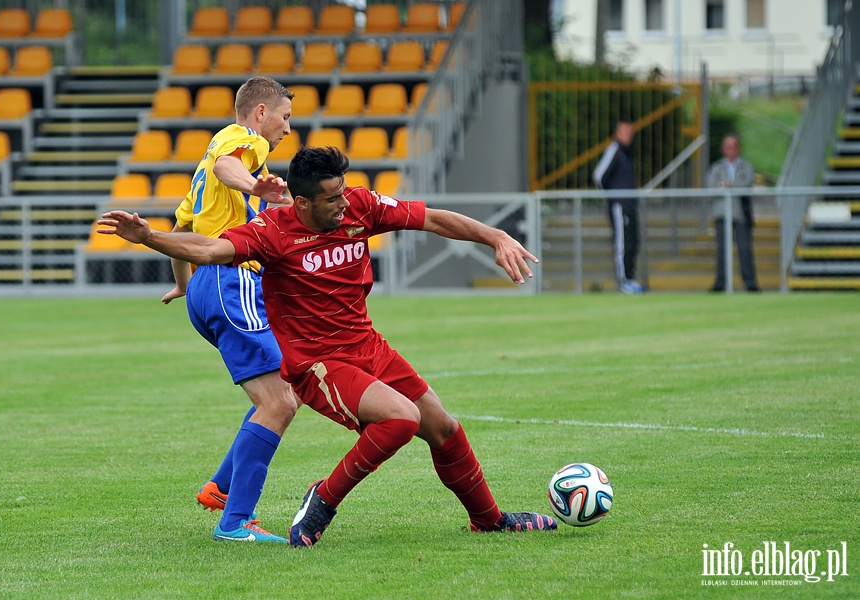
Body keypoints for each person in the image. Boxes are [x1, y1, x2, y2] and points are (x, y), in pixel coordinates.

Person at [98, 146, 558, 547]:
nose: (343, 204)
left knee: (443, 427)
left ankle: (490, 521)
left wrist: (495, 235)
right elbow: (209, 250)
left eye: (343, 192)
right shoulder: (272, 231)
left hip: (367, 344)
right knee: (401, 418)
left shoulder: (360, 205)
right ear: (301, 202)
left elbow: (433, 218)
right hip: (317, 363)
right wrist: (151, 238)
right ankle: (323, 498)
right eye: (331, 199)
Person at [160, 75, 298, 543]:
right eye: (284, 117)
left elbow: (181, 237)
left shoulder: (198, 177)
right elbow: (229, 168)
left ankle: (221, 489)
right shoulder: (242, 140)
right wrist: (257, 188)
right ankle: (235, 522)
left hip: (206, 286)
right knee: (280, 402)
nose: (286, 129)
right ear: (260, 113)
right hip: (232, 279)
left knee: (276, 395)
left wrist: (183, 288)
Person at [593, 120, 643, 294]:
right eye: (625, 131)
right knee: (622, 243)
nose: (628, 134)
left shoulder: (628, 153)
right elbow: (599, 176)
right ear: (617, 133)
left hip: (630, 205)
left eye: (631, 131)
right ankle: (624, 281)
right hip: (619, 206)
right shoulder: (614, 150)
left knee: (633, 241)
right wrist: (613, 197)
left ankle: (630, 278)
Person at [706, 133, 760, 292]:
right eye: (728, 147)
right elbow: (712, 188)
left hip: (740, 214)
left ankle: (750, 282)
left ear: (739, 149)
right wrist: (732, 187)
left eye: (734, 146)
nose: (731, 150)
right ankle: (720, 282)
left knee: (744, 249)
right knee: (722, 250)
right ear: (723, 149)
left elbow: (746, 185)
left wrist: (728, 187)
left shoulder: (746, 167)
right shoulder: (717, 168)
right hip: (722, 214)